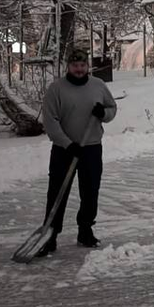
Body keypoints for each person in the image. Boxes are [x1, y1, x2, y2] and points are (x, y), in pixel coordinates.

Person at [37, 48, 118, 257]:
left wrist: (104, 113)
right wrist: (66, 143)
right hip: (64, 149)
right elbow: (50, 121)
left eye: (82, 65)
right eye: (75, 66)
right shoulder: (56, 89)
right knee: (57, 192)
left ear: (87, 66)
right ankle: (50, 235)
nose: (79, 69)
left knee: (90, 191)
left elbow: (112, 108)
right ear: (68, 66)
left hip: (91, 147)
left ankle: (85, 230)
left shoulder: (98, 86)